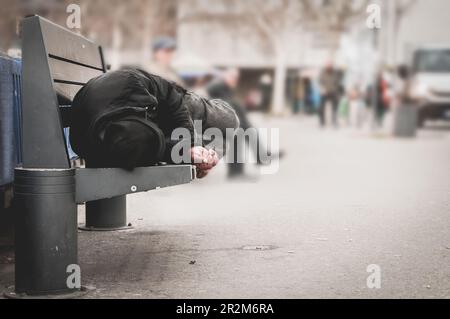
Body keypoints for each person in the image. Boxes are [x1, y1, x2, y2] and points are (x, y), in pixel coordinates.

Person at [69, 68, 239, 179]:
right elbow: (158, 148)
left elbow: (170, 95)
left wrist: (189, 145)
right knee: (220, 138)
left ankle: (206, 151)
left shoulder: (130, 83)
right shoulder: (133, 143)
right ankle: (209, 155)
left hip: (166, 101)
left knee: (230, 120)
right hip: (125, 124)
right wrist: (187, 154)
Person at [207, 68, 274, 179]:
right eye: (232, 77)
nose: (235, 80)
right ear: (225, 76)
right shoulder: (218, 87)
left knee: (246, 129)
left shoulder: (226, 89)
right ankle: (238, 170)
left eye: (236, 78)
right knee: (237, 132)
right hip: (213, 124)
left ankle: (260, 157)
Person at [318, 62, 341, 127]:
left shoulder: (335, 73)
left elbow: (338, 83)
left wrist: (337, 93)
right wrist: (322, 89)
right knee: (321, 107)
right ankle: (322, 122)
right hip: (324, 92)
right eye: (328, 66)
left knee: (335, 108)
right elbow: (320, 82)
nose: (329, 68)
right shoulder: (323, 73)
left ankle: (334, 121)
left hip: (333, 92)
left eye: (330, 66)